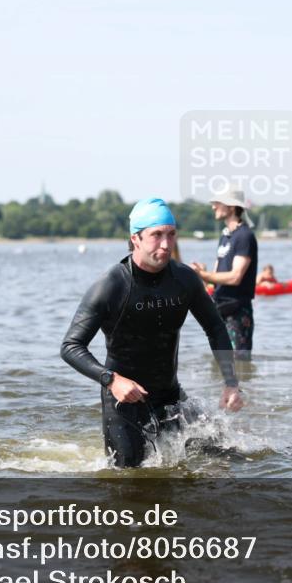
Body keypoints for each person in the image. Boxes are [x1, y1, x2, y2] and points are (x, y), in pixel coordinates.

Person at [61, 197, 243, 468]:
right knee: (130, 476)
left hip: (170, 396)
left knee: (227, 454)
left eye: (171, 235)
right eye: (156, 236)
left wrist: (231, 382)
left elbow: (215, 327)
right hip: (124, 401)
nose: (166, 244)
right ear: (136, 238)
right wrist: (112, 380)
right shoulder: (112, 285)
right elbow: (71, 346)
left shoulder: (184, 279)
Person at [191, 189, 258, 361]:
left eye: (218, 202)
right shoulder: (225, 235)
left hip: (237, 310)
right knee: (220, 364)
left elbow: (235, 277)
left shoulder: (245, 236)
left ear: (232, 206)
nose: (213, 207)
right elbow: (216, 277)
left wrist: (204, 275)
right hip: (220, 308)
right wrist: (204, 276)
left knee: (239, 365)